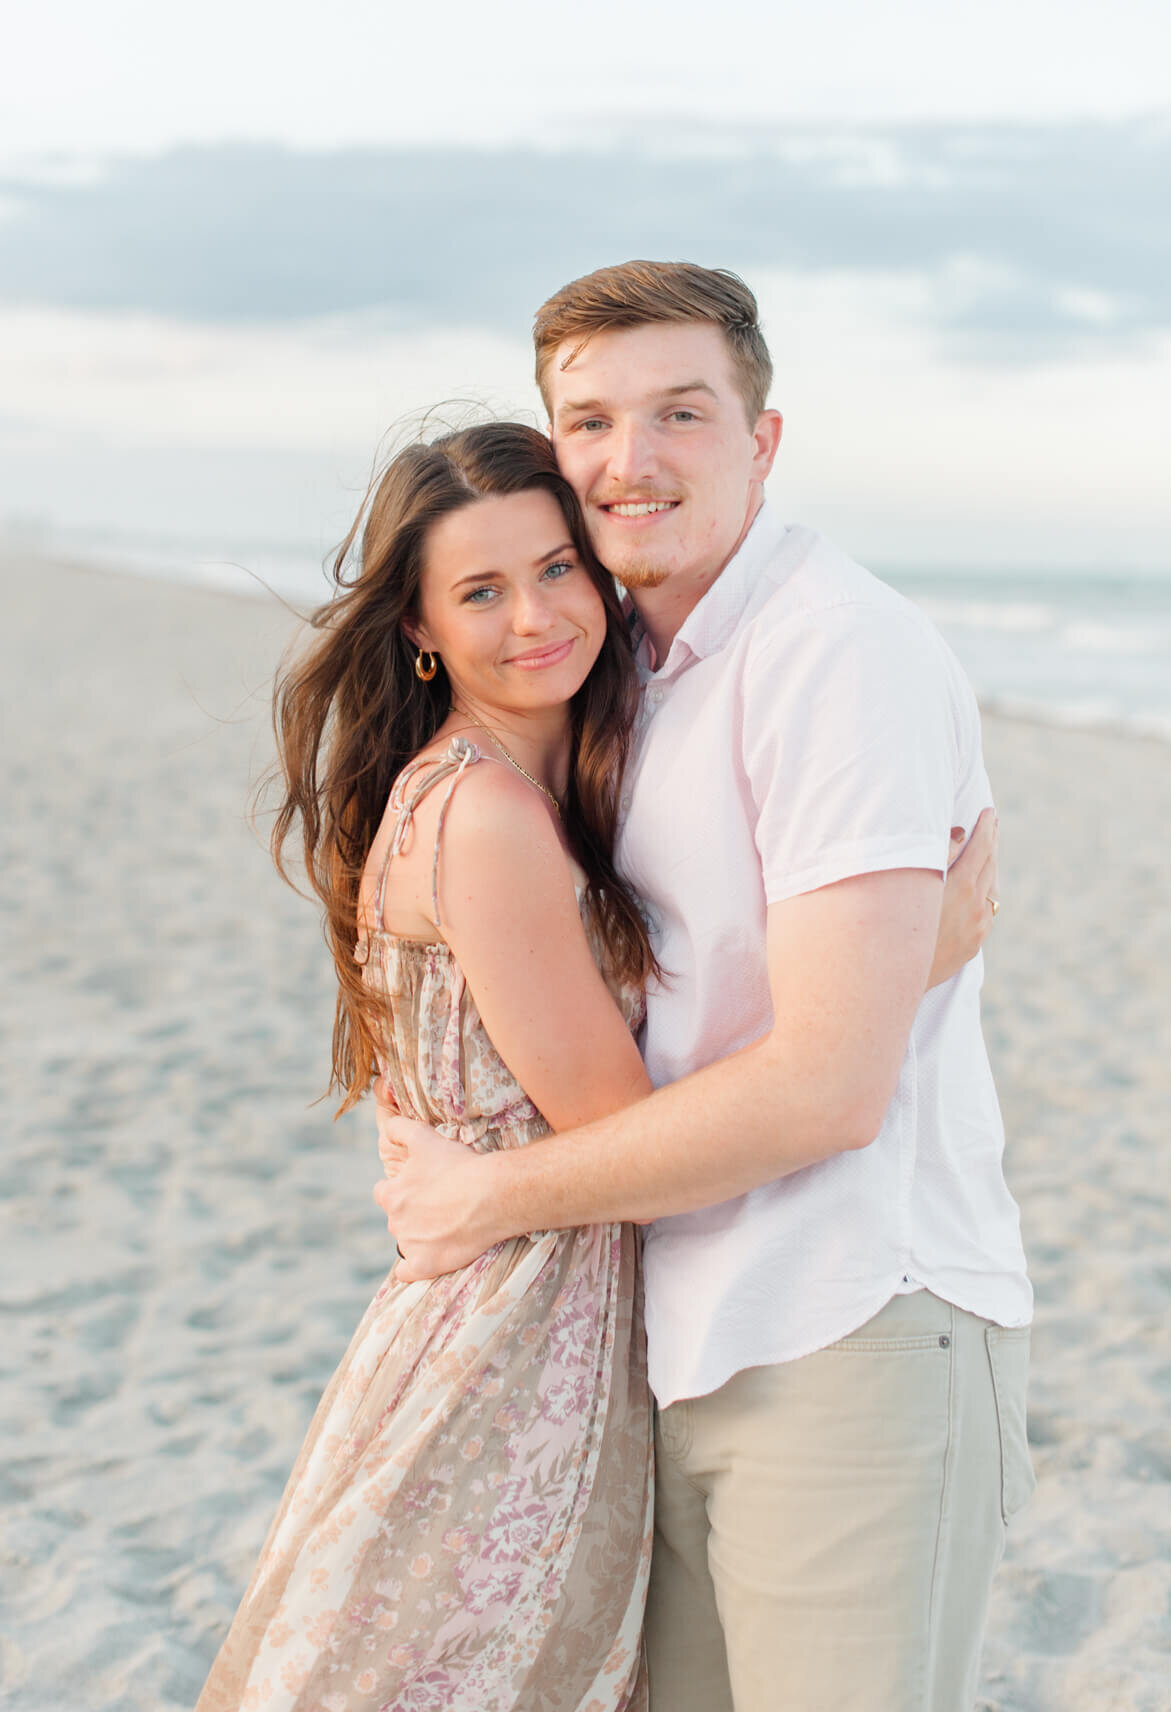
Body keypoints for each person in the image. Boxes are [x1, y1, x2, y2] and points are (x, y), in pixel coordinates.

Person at [196, 414, 993, 1712]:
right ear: (419, 627)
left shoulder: (507, 786)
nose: (536, 617)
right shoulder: (488, 818)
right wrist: (899, 972)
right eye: (481, 591)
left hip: (527, 1304)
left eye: (559, 568)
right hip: (516, 1336)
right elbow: (630, 1136)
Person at [376, 261, 1034, 1712]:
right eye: (591, 421)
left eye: (680, 411)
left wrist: (492, 1195)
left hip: (854, 1328)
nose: (632, 460)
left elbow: (830, 1088)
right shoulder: (643, 668)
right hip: (690, 1337)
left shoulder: (833, 655)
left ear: (764, 439)